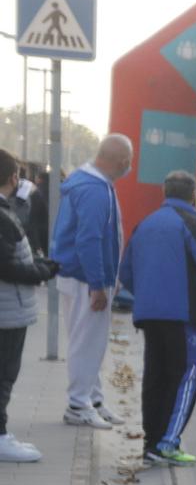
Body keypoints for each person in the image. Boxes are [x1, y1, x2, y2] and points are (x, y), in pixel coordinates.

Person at [117, 170, 196, 468]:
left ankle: (151, 442)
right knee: (184, 376)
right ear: (193, 195)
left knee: (155, 377)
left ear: (164, 193)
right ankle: (167, 442)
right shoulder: (192, 223)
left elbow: (126, 271)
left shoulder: (146, 224)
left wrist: (148, 294)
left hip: (149, 313)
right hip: (182, 315)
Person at [49, 133, 134, 430]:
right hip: (87, 280)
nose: (130, 167)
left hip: (78, 274)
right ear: (122, 161)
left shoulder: (86, 183)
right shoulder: (96, 190)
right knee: (87, 343)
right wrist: (98, 283)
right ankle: (78, 404)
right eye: (130, 162)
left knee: (88, 342)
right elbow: (89, 239)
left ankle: (92, 399)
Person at [0, 150, 62, 464]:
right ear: (14, 178)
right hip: (6, 312)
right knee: (3, 375)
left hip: (8, 309)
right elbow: (7, 267)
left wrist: (38, 263)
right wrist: (43, 271)